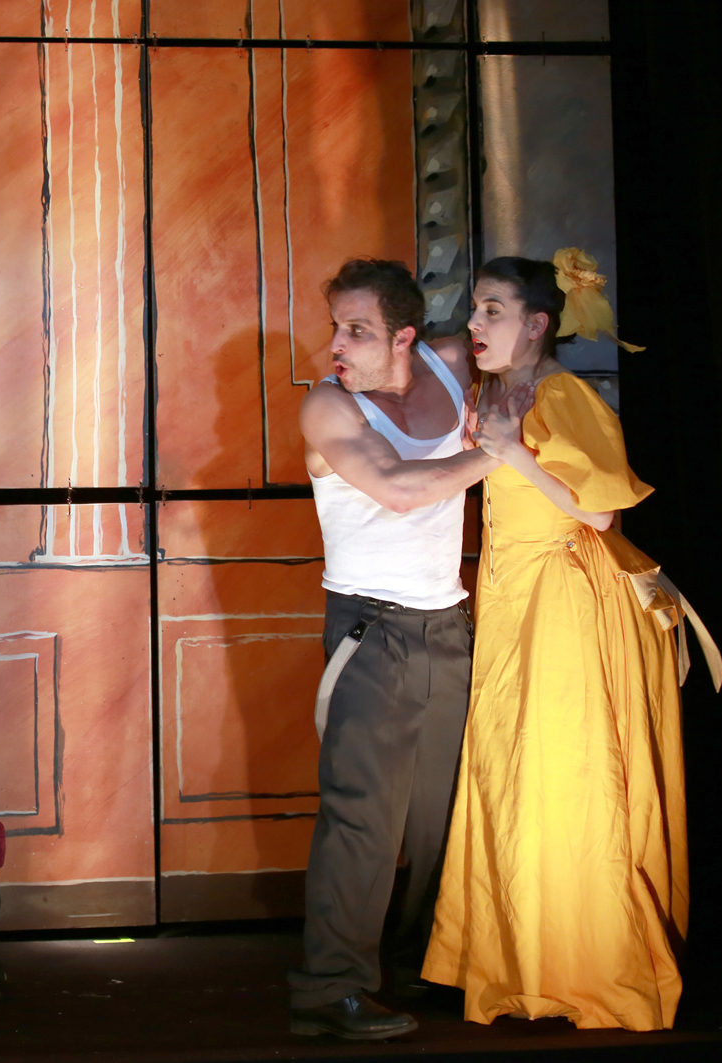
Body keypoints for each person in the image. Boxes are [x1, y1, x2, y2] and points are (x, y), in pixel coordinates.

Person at [420, 251, 692, 1030]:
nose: (475, 322)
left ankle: (592, 968)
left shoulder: (564, 394)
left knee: (565, 770)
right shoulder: (492, 390)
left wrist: (512, 455)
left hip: (562, 595)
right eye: (475, 307)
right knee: (513, 769)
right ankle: (520, 964)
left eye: (493, 310)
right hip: (512, 595)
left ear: (537, 324)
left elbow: (601, 512)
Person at [288, 258, 500, 1041]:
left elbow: (515, 338)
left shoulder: (449, 364)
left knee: (445, 816)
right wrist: (506, 451)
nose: (336, 346)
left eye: (358, 330)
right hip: (369, 630)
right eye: (335, 328)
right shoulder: (329, 406)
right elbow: (402, 489)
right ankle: (330, 989)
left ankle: (426, 965)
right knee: (363, 819)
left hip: (448, 625)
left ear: (406, 336)